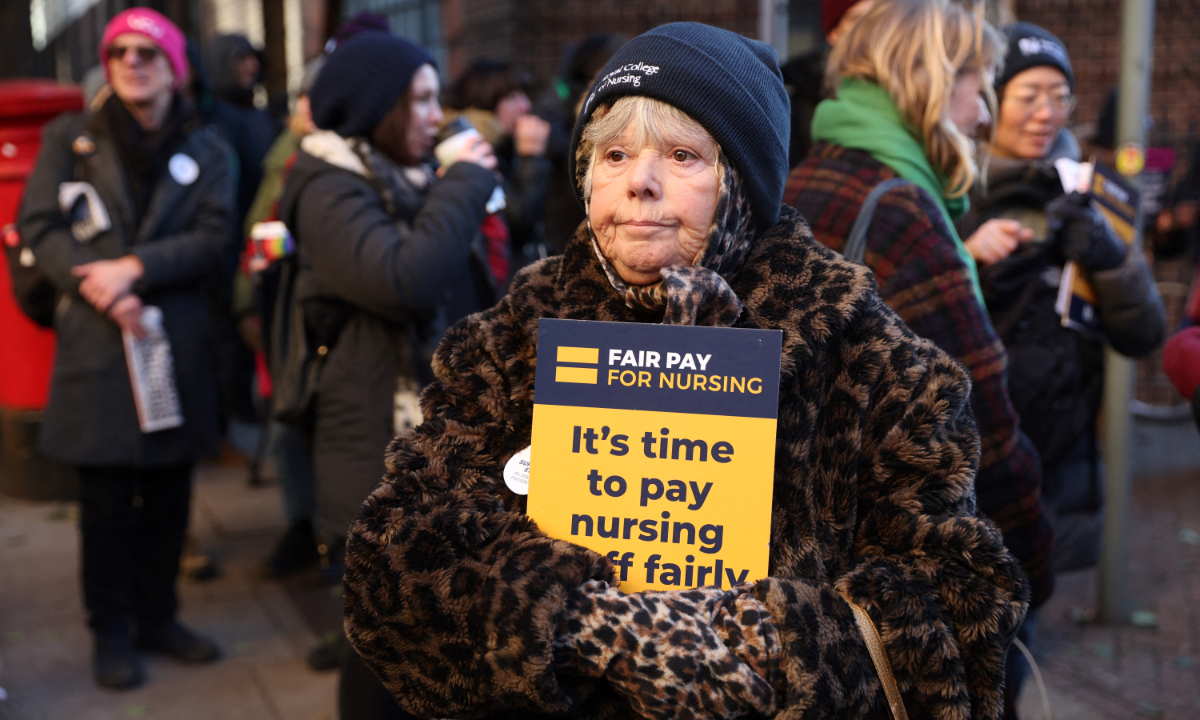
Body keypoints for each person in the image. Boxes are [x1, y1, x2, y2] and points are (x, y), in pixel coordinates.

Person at [343, 22, 1027, 720]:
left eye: (681, 155)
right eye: (612, 154)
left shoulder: (869, 355)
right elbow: (394, 559)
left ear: (742, 180)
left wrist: (760, 645)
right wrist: (591, 621)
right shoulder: (511, 340)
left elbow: (960, 599)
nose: (639, 182)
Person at [781, 0, 1055, 695]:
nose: (983, 113)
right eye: (979, 85)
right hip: (908, 593)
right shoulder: (902, 211)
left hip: (803, 573)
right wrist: (1029, 568)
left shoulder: (799, 181)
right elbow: (982, 433)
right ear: (931, 81)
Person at [277, 32, 503, 717]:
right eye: (423, 100)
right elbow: (402, 280)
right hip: (367, 430)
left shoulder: (409, 177)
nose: (439, 116)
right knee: (378, 629)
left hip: (430, 430)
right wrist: (464, 181)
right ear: (380, 108)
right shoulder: (324, 184)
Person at [17, 8, 232, 689]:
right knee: (105, 505)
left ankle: (158, 617)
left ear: (176, 67)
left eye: (149, 52)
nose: (133, 62)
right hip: (99, 343)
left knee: (170, 497)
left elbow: (212, 234)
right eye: (119, 53)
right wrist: (104, 289)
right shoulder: (67, 137)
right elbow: (40, 226)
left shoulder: (210, 149)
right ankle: (109, 631)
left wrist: (132, 270)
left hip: (173, 343)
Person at [957, 30, 1164, 713]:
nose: (1047, 111)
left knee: (1018, 643)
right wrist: (967, 257)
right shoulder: (954, 189)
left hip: (1051, 460)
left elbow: (1143, 335)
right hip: (965, 461)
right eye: (1029, 94)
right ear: (991, 100)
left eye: (1059, 95)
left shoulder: (1098, 196)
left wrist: (1107, 258)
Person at [444, 59, 553, 268]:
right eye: (512, 97)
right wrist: (531, 157)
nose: (526, 105)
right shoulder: (472, 151)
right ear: (486, 104)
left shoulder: (504, 144)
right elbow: (519, 221)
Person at [780, 0, 874, 167]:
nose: (868, 28)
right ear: (834, 33)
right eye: (857, 18)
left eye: (876, 18)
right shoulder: (802, 98)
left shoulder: (906, 90)